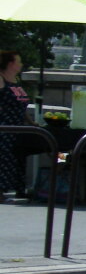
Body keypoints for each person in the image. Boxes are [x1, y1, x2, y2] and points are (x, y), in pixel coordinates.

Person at [0, 51, 34, 202]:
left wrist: (31, 123)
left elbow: (21, 106)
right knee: (4, 158)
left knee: (19, 157)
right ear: (10, 64)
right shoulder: (1, 79)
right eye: (18, 62)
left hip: (20, 126)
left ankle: (20, 188)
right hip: (5, 126)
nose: (21, 65)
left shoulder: (16, 80)